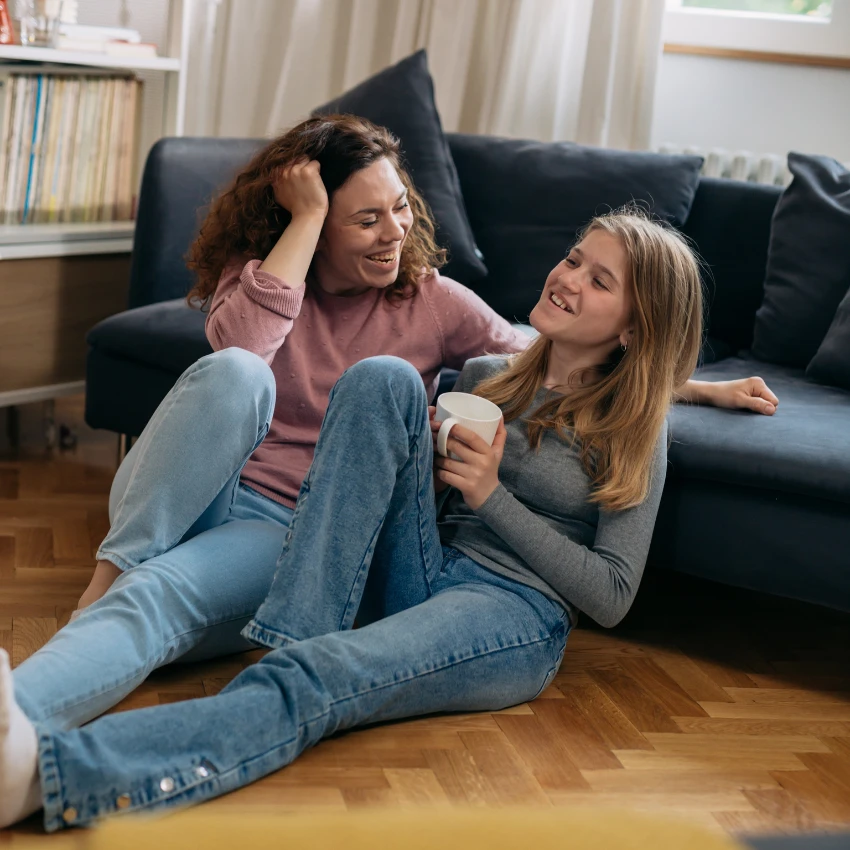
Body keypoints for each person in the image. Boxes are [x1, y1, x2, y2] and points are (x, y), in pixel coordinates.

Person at [2, 117, 776, 818]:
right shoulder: (484, 377)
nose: (567, 278)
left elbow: (611, 588)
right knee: (335, 378)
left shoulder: (610, 409)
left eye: (597, 280)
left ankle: (53, 767)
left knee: (258, 654)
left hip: (487, 599)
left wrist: (498, 488)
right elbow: (507, 369)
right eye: (575, 259)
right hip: (371, 548)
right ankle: (255, 618)